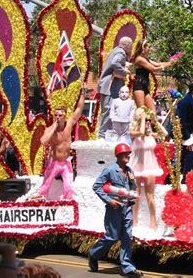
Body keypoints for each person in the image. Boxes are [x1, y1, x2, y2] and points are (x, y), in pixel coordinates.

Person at [88, 143, 143, 277]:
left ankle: (127, 267)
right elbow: (97, 186)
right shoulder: (110, 170)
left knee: (127, 237)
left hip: (127, 208)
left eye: (129, 154)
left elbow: (133, 186)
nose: (128, 156)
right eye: (125, 154)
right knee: (112, 236)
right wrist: (109, 200)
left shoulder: (130, 171)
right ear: (118, 155)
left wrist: (132, 196)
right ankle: (93, 254)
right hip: (114, 209)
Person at [36, 89, 85, 200]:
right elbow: (43, 141)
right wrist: (53, 128)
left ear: (65, 116)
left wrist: (83, 93)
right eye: (56, 115)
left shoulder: (69, 124)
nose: (58, 118)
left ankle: (67, 205)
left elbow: (79, 109)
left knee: (68, 188)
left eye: (60, 115)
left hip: (66, 162)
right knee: (45, 185)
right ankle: (40, 201)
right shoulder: (50, 129)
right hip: (54, 162)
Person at [129, 108, 166, 230]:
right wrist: (143, 118)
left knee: (150, 194)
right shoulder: (134, 131)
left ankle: (153, 221)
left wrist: (155, 121)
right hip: (136, 166)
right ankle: (134, 221)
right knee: (136, 194)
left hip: (150, 166)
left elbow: (165, 134)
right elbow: (140, 133)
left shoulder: (150, 134)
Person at [98, 36, 133, 139]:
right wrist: (124, 71)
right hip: (109, 86)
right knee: (109, 111)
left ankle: (105, 135)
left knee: (108, 111)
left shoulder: (115, 50)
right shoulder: (121, 52)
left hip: (107, 86)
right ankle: (102, 136)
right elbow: (115, 62)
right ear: (127, 45)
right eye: (130, 46)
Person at [131, 39, 177, 113]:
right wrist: (168, 64)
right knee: (141, 111)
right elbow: (153, 69)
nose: (150, 49)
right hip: (139, 85)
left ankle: (150, 124)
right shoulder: (139, 59)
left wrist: (170, 62)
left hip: (145, 85)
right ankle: (141, 124)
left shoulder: (145, 59)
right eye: (148, 47)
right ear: (143, 48)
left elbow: (157, 64)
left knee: (153, 112)